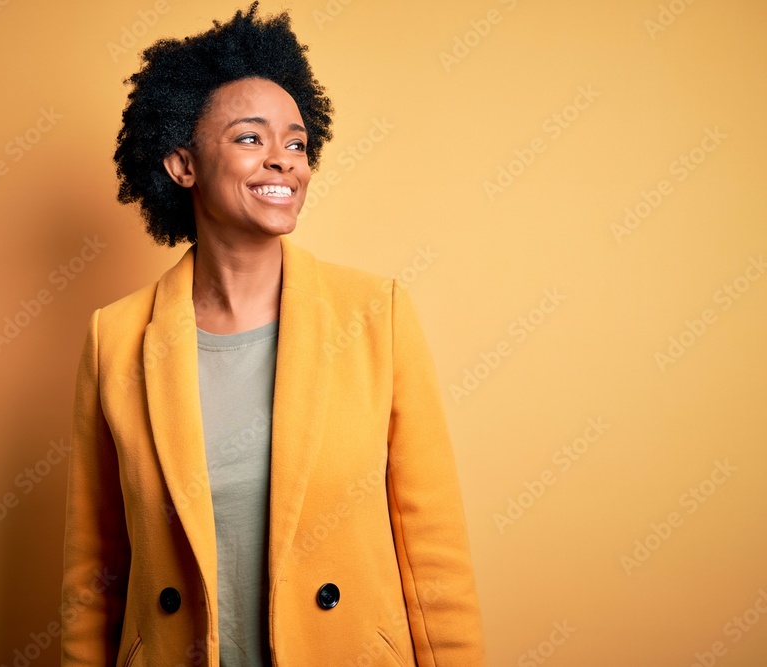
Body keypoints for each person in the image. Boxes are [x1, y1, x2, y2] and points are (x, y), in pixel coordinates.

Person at [60, 3, 485, 665]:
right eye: (251, 138)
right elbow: (94, 571)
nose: (285, 161)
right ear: (182, 164)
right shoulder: (115, 337)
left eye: (296, 142)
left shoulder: (378, 314)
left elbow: (436, 554)